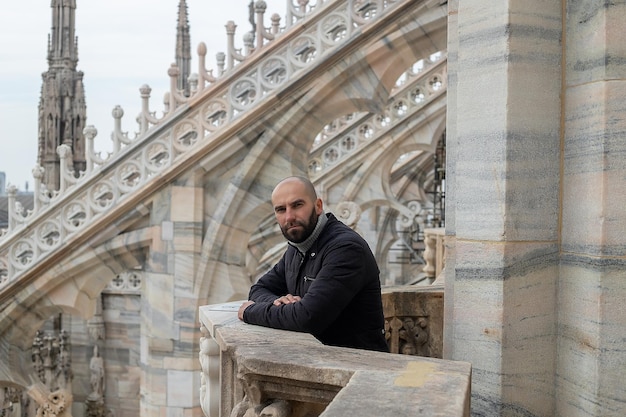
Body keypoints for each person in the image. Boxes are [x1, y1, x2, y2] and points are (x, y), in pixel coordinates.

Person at [238, 176, 389, 352]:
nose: (289, 217)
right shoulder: (297, 248)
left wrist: (251, 312)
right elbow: (259, 288)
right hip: (324, 363)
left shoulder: (346, 248)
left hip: (358, 368)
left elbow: (308, 318)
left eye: (297, 205)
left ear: (318, 206)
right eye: (281, 209)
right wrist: (279, 303)